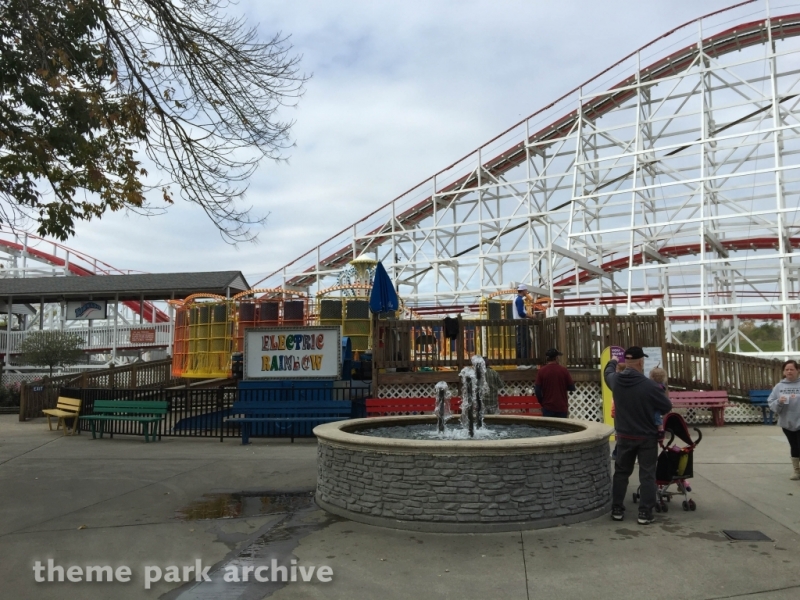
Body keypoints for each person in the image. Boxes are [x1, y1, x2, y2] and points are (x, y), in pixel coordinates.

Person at [604, 346, 672, 525]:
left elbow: (607, 372)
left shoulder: (616, 381)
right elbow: (666, 406)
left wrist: (612, 361)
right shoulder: (649, 386)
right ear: (641, 362)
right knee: (647, 474)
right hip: (646, 437)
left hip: (625, 436)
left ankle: (617, 508)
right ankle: (645, 512)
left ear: (626, 362)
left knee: (621, 473)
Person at [767, 359, 800, 480]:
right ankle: (797, 471)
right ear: (784, 372)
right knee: (794, 446)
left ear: (798, 370)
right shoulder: (779, 386)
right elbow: (772, 404)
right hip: (787, 422)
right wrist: (779, 402)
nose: (789, 371)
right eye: (787, 369)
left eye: (792, 369)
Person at [534, 348, 575, 418]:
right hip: (561, 407)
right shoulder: (564, 371)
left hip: (547, 407)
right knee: (562, 428)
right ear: (556, 358)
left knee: (548, 428)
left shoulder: (541, 371)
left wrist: (542, 403)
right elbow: (572, 387)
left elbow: (537, 389)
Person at [512, 284, 532, 363]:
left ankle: (520, 362)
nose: (526, 292)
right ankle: (524, 362)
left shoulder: (515, 299)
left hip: (518, 323)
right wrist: (531, 316)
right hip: (522, 323)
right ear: (523, 290)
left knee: (520, 343)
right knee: (525, 343)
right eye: (526, 291)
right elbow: (521, 313)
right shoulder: (520, 300)